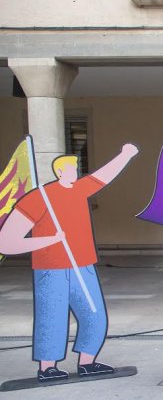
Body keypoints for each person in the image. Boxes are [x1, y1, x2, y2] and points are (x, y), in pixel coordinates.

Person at [0, 144, 137, 381]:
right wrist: (49, 240)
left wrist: (125, 155)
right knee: (52, 317)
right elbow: (6, 243)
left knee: (95, 315)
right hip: (51, 269)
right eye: (72, 168)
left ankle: (87, 362)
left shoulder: (78, 190)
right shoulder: (37, 198)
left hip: (83, 265)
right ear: (60, 172)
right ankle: (47, 367)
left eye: (76, 167)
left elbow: (102, 176)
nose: (76, 171)